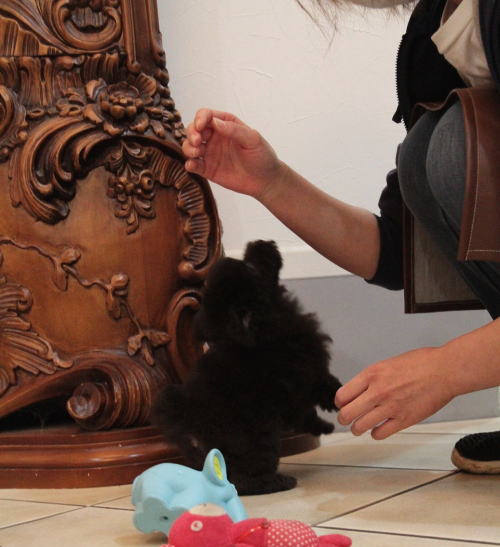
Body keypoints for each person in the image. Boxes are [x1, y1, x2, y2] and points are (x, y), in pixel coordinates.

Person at [181, 0, 500, 474]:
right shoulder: (437, 27)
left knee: (452, 146)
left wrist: (447, 369)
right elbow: (398, 251)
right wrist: (271, 182)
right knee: (429, 151)